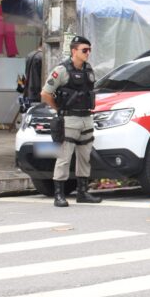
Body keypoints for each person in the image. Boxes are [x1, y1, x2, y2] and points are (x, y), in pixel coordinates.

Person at [41, 36, 101, 207]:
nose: (88, 53)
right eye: (84, 50)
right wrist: (58, 109)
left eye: (89, 50)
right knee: (64, 158)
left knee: (84, 158)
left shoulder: (88, 69)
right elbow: (45, 94)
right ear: (74, 51)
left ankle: (82, 192)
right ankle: (59, 194)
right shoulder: (61, 70)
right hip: (69, 119)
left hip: (86, 118)